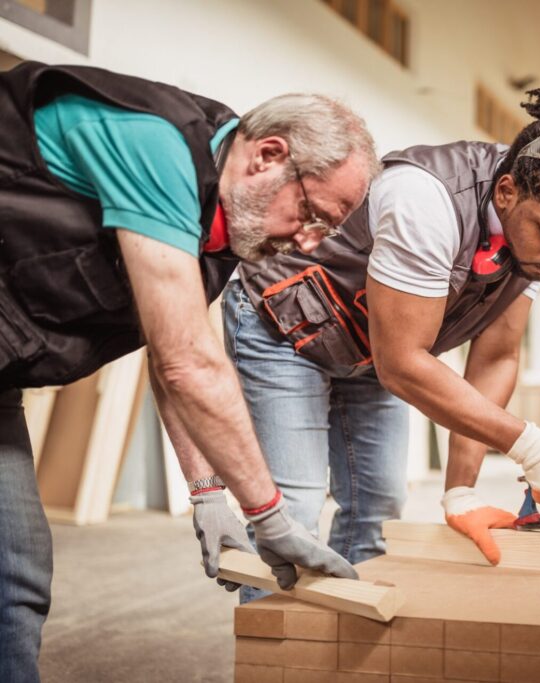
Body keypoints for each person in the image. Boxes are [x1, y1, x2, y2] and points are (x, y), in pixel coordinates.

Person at [0, 61, 378, 682]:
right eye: (313, 213)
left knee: (14, 570)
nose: (311, 242)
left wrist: (207, 495)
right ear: (267, 155)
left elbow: (165, 347)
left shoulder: (218, 230)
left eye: (329, 230)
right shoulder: (153, 144)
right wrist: (270, 516)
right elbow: (188, 364)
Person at [224, 79, 540, 602]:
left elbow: (496, 358)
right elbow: (403, 364)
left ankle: (331, 645)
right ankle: (272, 655)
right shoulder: (426, 197)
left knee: (378, 505)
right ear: (507, 193)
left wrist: (461, 490)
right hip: (283, 325)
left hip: (367, 349)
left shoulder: (537, 234)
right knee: (293, 507)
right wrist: (535, 448)